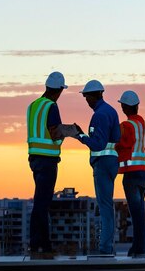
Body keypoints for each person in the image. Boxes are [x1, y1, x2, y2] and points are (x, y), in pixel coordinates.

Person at [74, 80, 121, 255]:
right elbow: (115, 136)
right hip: (112, 163)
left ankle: (105, 247)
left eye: (86, 97)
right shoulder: (111, 111)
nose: (86, 100)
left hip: (101, 164)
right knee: (108, 205)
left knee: (105, 206)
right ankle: (107, 245)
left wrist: (80, 136)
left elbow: (97, 144)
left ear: (93, 96)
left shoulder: (99, 115)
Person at [26, 71, 68, 258]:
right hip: (47, 159)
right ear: (58, 90)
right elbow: (54, 132)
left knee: (40, 201)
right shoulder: (52, 106)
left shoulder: (33, 106)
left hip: (34, 159)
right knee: (42, 203)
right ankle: (40, 245)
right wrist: (65, 136)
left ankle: (40, 243)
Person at [115, 90, 145, 258]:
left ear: (124, 107)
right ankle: (139, 247)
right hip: (144, 173)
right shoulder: (144, 125)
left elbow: (120, 144)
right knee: (139, 212)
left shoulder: (126, 126)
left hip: (131, 175)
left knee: (136, 213)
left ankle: (139, 248)